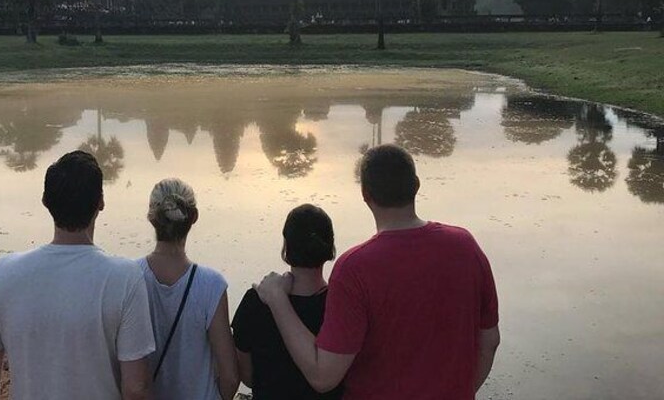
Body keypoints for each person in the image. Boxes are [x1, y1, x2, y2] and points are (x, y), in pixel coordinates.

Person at [256, 144, 500, 400]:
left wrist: (278, 300)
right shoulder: (465, 246)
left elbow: (323, 376)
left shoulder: (355, 268)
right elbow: (489, 341)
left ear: (365, 194)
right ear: (416, 185)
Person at [0, 151, 154, 400]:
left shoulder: (3, 274)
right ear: (100, 201)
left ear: (46, 201)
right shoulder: (124, 278)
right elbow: (136, 389)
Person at [138, 178, 239, 400]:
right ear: (194, 217)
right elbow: (230, 376)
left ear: (151, 218)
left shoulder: (130, 278)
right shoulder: (211, 285)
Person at [232, 204, 343, 400]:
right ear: (330, 248)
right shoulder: (341, 305)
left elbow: (248, 377)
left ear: (286, 247)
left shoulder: (256, 301)